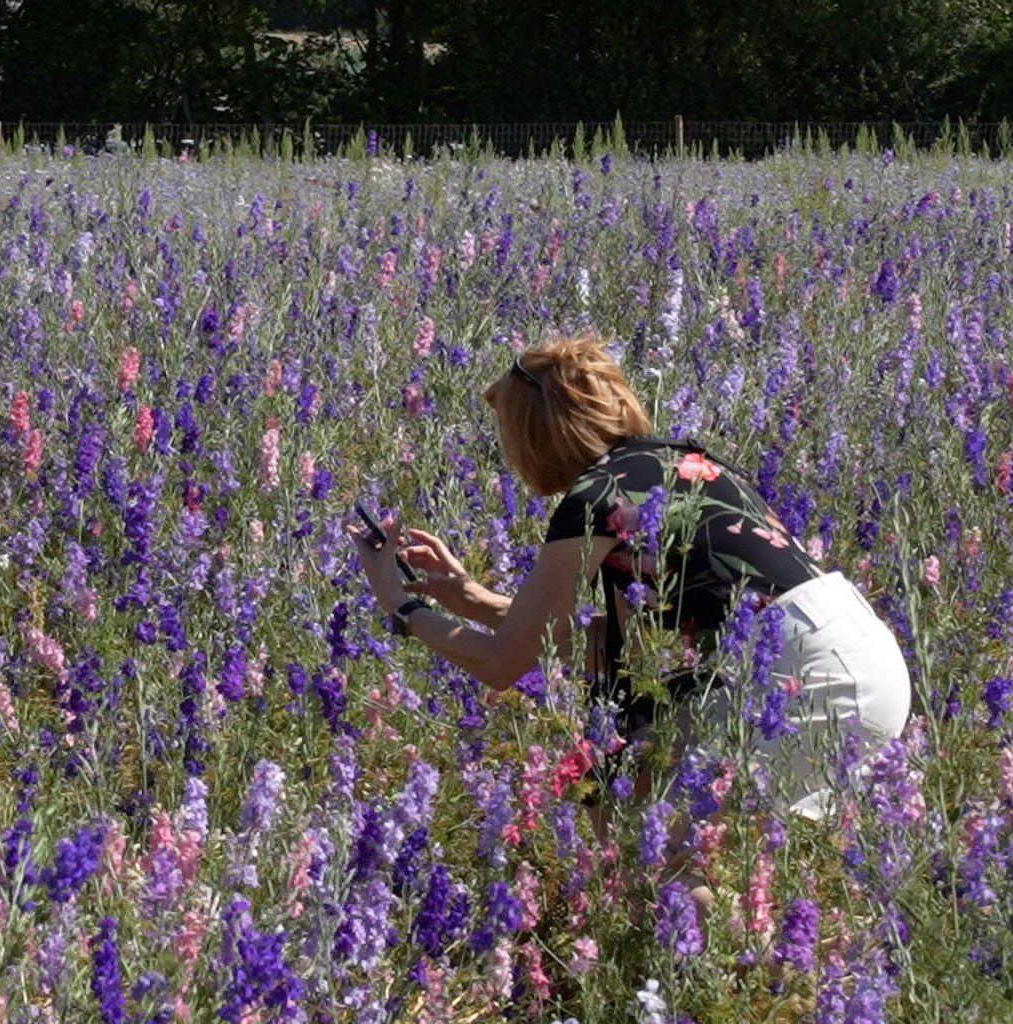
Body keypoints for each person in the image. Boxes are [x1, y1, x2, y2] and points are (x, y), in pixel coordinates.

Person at [351, 334, 911, 905]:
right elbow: (602, 649)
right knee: (693, 854)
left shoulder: (596, 497)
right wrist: (469, 596)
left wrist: (400, 605)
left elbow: (504, 665)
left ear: (535, 435)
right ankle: (774, 979)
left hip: (794, 674)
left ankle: (769, 985)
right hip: (862, 656)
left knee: (655, 862)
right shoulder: (686, 463)